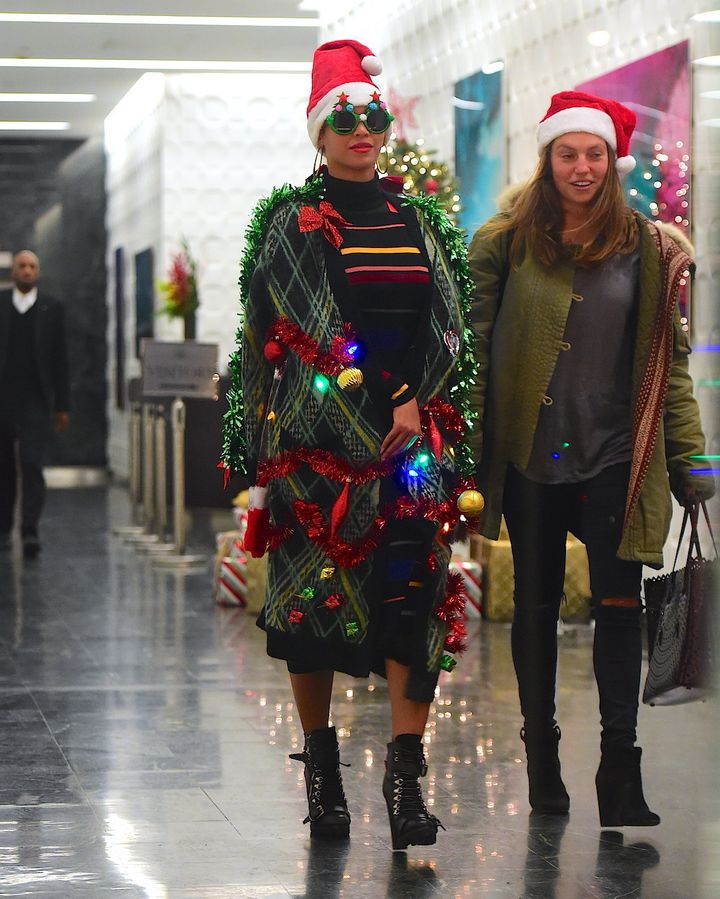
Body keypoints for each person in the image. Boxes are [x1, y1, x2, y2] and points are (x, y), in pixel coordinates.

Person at [222, 39, 478, 849]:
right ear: (320, 135)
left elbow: (450, 321)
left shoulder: (416, 218)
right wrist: (388, 399)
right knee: (313, 615)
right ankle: (324, 776)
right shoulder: (293, 225)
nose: (363, 130)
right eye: (346, 119)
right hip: (321, 452)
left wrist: (422, 400)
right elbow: (305, 328)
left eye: (373, 116)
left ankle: (407, 782)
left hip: (413, 454)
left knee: (415, 605)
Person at [467, 90, 715, 827]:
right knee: (536, 608)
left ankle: (619, 769)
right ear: (548, 159)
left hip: (615, 459)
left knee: (618, 609)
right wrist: (458, 453)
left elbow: (667, 366)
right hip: (530, 459)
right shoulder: (505, 241)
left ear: (613, 163)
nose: (581, 167)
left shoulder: (651, 247)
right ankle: (542, 761)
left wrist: (690, 454)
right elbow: (473, 353)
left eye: (594, 154)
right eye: (568, 153)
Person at [0, 251, 70, 559]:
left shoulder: (51, 307)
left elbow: (61, 360)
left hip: (36, 399)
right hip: (3, 397)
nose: (27, 271)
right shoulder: (1, 303)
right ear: (13, 271)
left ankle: (29, 529)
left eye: (32, 267)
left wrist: (62, 405)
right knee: (3, 467)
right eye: (22, 266)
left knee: (31, 463)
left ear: (38, 273)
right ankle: (3, 527)